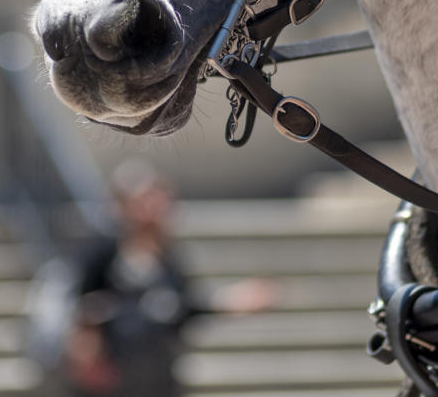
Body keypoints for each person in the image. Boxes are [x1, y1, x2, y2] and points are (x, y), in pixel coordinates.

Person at [52, 162, 276, 397]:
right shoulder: (104, 252)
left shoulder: (166, 258)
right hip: (113, 377)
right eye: (147, 199)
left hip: (158, 376)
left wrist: (230, 303)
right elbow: (82, 310)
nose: (158, 206)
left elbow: (182, 308)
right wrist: (89, 354)